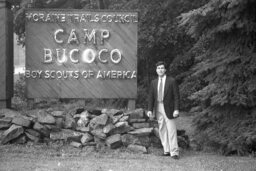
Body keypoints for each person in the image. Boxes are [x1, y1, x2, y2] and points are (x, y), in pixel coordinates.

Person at [147, 61, 180, 159]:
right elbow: (151, 97)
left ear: (165, 70)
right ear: (156, 70)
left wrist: (176, 109)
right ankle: (166, 150)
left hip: (169, 108)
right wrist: (149, 109)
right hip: (158, 108)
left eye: (162, 68)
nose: (160, 70)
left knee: (171, 130)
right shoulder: (153, 82)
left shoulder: (172, 81)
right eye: (158, 68)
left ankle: (174, 152)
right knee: (162, 129)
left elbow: (176, 97)